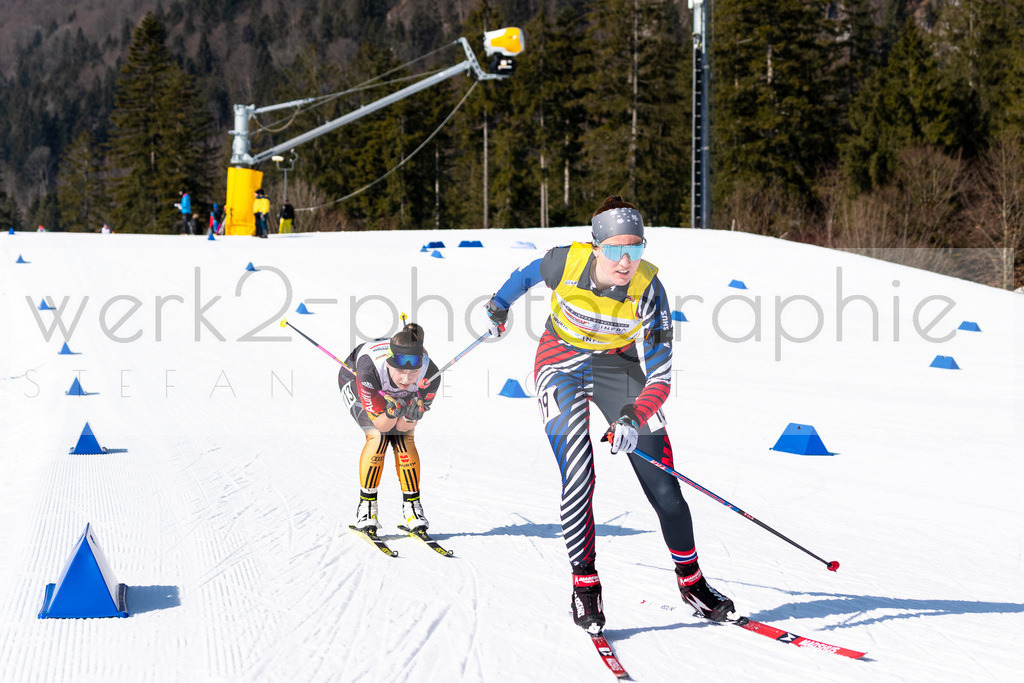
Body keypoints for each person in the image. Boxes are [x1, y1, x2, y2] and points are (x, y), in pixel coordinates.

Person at [481, 196, 735, 634]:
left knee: (665, 486)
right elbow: (522, 277)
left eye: (636, 249)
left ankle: (692, 584)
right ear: (596, 246)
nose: (626, 261)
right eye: (616, 249)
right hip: (560, 365)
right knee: (580, 475)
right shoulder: (565, 263)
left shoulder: (650, 288)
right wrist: (498, 308)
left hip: (618, 370)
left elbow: (660, 374)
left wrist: (633, 417)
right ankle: (585, 586)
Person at [337, 321, 442, 533]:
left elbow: (403, 427)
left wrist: (411, 415)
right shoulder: (369, 370)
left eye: (414, 372)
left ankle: (412, 508)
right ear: (389, 363)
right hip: (358, 378)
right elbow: (382, 424)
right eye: (400, 371)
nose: (406, 379)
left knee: (404, 438)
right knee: (378, 436)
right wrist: (392, 412)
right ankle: (366, 508)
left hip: (391, 393)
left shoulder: (430, 375)